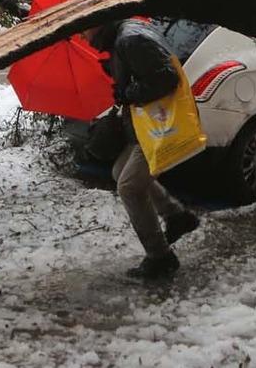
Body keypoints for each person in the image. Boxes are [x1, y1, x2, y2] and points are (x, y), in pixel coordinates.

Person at [85, 19, 201, 280]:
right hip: (145, 128)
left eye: (84, 29)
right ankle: (176, 215)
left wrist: (129, 91)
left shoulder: (129, 40)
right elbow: (147, 71)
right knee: (119, 171)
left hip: (158, 128)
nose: (82, 36)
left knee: (129, 186)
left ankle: (160, 257)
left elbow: (166, 78)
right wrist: (118, 71)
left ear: (97, 24)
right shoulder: (123, 38)